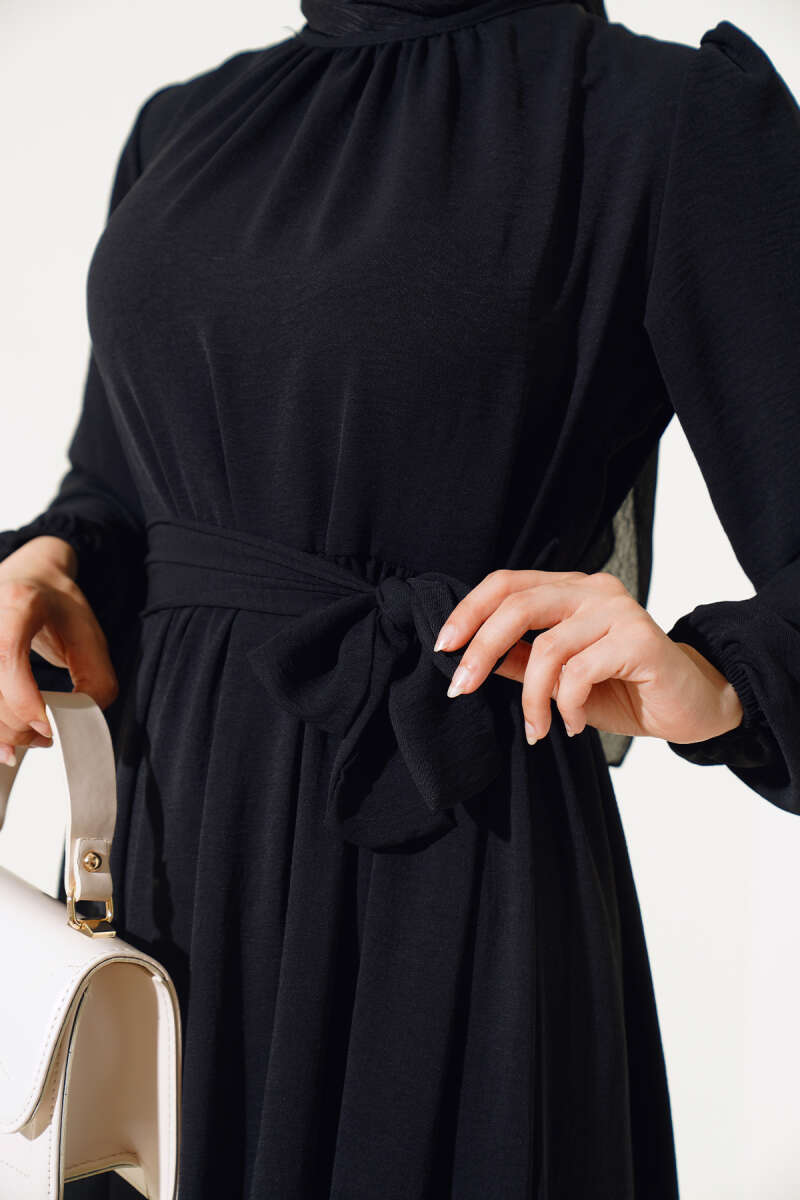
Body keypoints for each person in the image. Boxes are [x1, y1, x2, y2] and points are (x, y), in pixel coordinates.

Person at [1, 0, 798, 1195]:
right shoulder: (184, 127)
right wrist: (51, 561)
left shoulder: (663, 119)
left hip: (443, 866)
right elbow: (122, 481)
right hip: (170, 866)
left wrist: (722, 682)